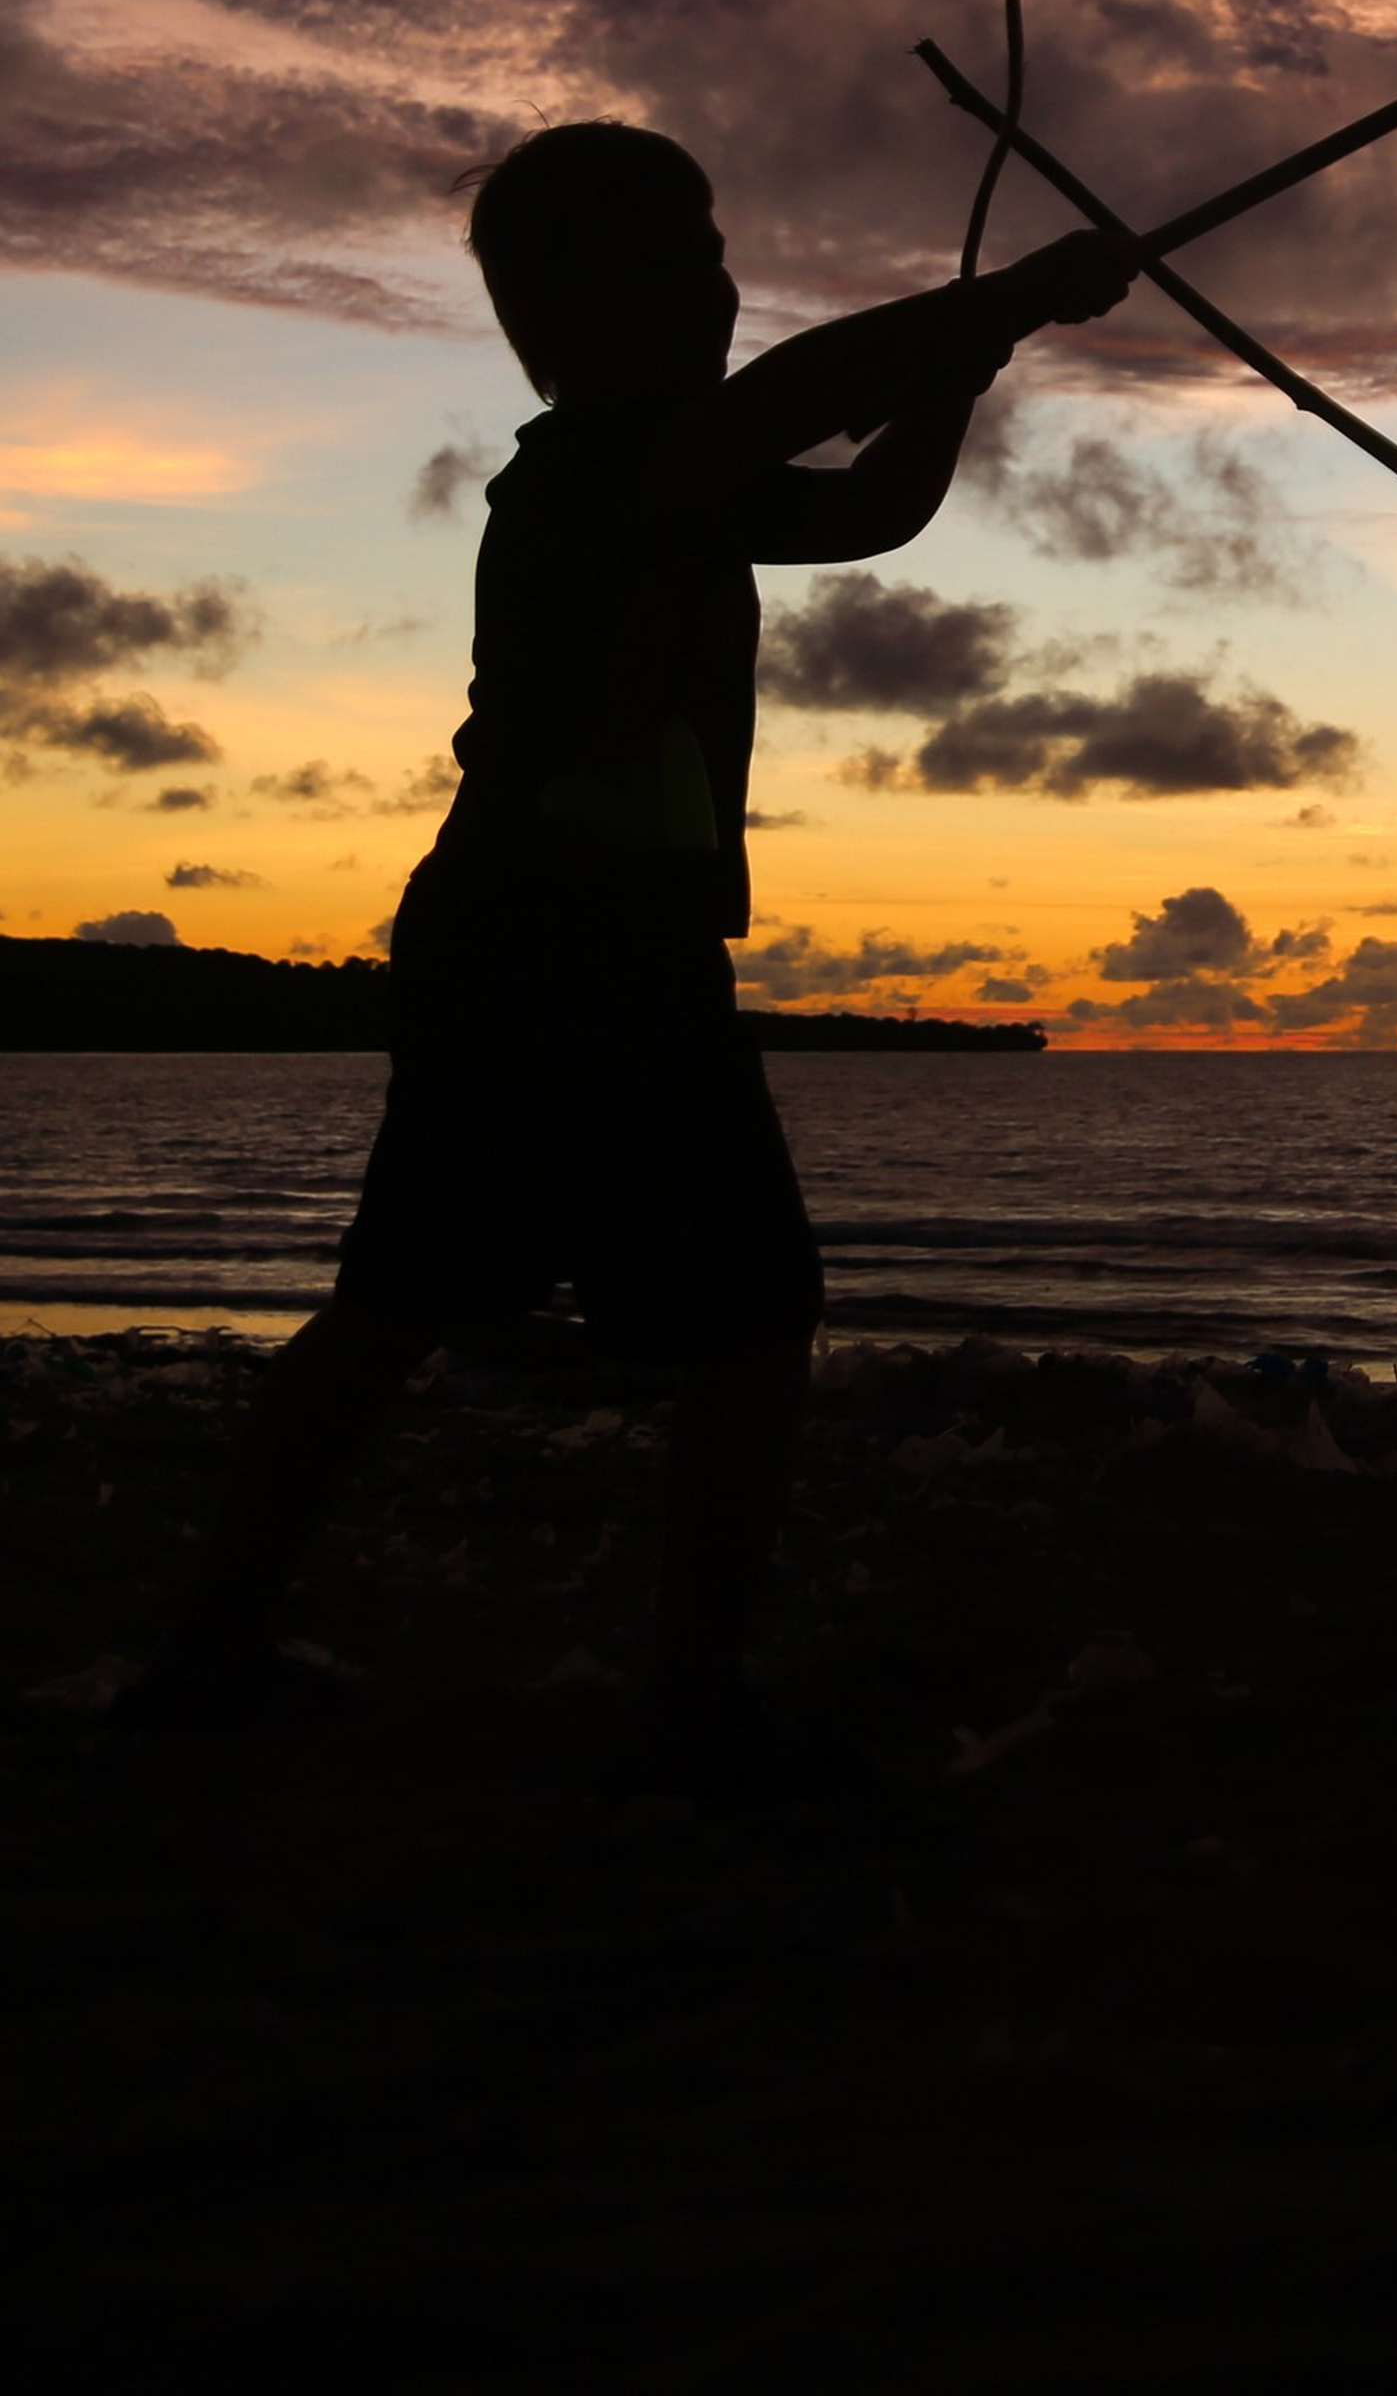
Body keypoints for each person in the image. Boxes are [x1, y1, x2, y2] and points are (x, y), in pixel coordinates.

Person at [136, 120, 1131, 1793]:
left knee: (395, 1310)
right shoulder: (603, 465)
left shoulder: (675, 473)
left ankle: (206, 1661)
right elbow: (782, 410)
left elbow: (875, 505)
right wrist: (997, 296)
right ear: (558, 307)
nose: (715, 286)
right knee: (743, 1322)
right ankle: (691, 1715)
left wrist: (979, 350)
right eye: (668, 261)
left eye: (714, 251)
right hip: (568, 941)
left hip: (549, 935)